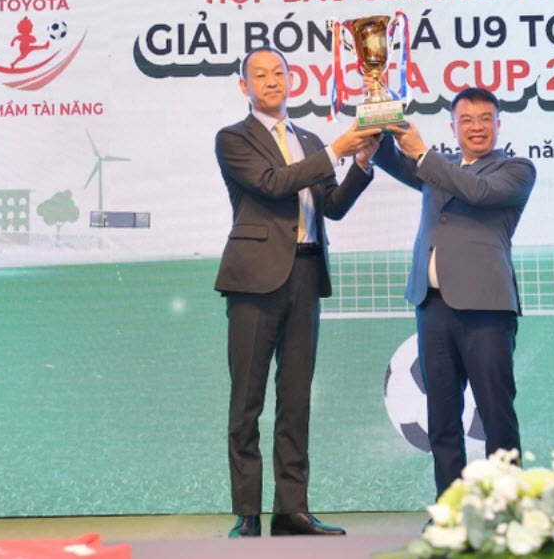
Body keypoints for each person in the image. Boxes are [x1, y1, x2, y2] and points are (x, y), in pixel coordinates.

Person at [215, 47, 382, 538]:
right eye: (260, 75)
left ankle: (291, 510)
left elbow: (332, 207)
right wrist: (337, 150)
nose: (272, 81)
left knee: (295, 398)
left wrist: (361, 163)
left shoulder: (308, 139)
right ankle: (247, 512)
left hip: (306, 274)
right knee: (247, 399)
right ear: (245, 87)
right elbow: (272, 184)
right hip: (254, 280)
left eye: (279, 73)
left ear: (291, 79)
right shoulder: (233, 138)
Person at [369, 76, 536, 499]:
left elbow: (476, 192)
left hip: (486, 310)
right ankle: (450, 509)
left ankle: (507, 510)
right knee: (442, 416)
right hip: (432, 307)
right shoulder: (438, 168)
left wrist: (423, 153)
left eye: (485, 119)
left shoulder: (515, 170)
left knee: (496, 413)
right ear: (453, 126)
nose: (476, 127)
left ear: (498, 123)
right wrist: (380, 106)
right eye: (467, 120)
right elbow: (388, 156)